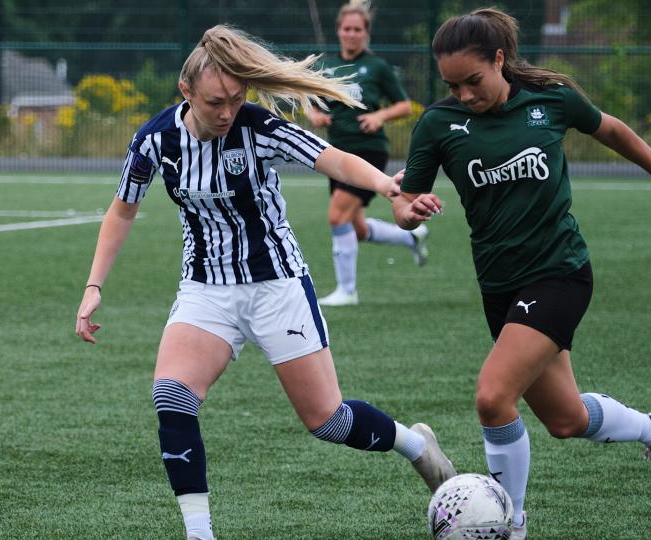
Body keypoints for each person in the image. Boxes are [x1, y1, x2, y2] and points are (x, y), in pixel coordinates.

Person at [74, 25, 455, 540]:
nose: (227, 111)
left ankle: (417, 447)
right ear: (186, 92)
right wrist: (94, 285)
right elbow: (121, 212)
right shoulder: (154, 141)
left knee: (328, 421)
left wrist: (389, 185)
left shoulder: (259, 128)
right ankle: (199, 533)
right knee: (172, 397)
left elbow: (333, 158)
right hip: (206, 289)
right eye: (215, 102)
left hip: (277, 285)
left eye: (236, 98)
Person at [391, 8, 651, 538]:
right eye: (453, 85)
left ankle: (510, 524)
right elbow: (403, 201)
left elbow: (609, 128)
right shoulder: (438, 124)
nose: (465, 94)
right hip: (499, 286)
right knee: (566, 420)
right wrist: (410, 212)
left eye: (473, 81)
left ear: (500, 59)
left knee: (493, 396)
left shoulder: (552, 99)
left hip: (559, 273)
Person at [305, 1, 427, 307]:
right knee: (355, 227)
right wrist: (314, 115)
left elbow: (403, 104)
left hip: (369, 152)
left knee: (336, 216)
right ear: (338, 31)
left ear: (366, 33)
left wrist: (379, 117)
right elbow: (311, 101)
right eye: (347, 29)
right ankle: (412, 237)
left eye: (357, 29)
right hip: (336, 155)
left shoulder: (377, 67)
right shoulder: (327, 65)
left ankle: (347, 291)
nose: (351, 34)